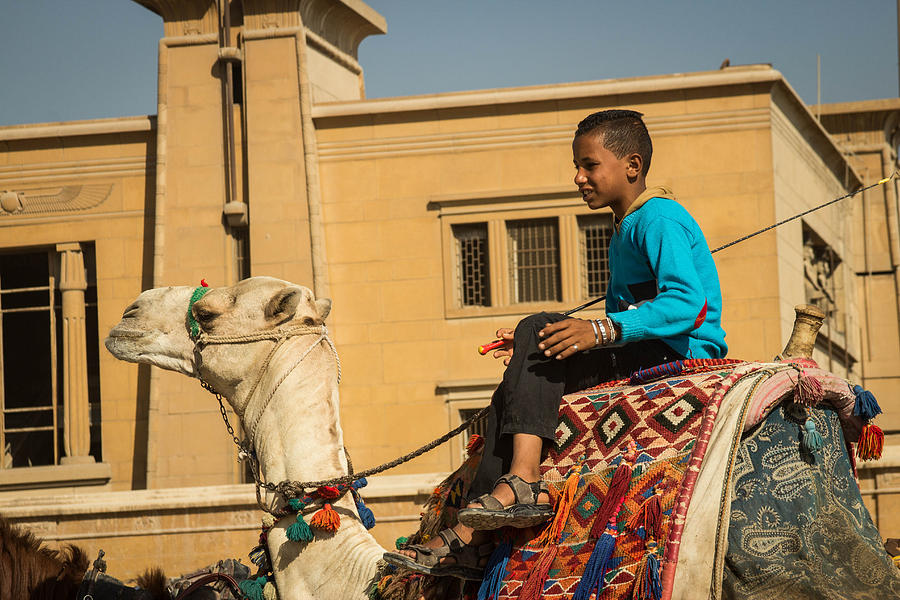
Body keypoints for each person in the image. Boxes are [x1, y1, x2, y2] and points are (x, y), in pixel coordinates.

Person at [383, 109, 727, 579]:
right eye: (578, 166)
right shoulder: (627, 224)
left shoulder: (660, 218)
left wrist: (600, 332)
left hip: (680, 353)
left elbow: (687, 302)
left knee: (538, 325)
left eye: (589, 165)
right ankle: (471, 537)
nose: (578, 177)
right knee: (529, 350)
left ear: (631, 165)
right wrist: (532, 343)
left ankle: (522, 480)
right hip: (641, 349)